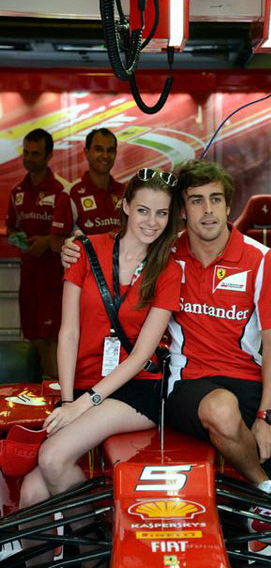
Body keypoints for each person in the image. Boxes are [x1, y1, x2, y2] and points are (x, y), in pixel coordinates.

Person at [62, 160, 271, 551]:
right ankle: (266, 497)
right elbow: (113, 250)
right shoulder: (164, 253)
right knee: (221, 408)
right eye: (196, 200)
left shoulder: (260, 259)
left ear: (228, 206)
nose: (207, 210)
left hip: (249, 382)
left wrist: (267, 415)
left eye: (216, 200)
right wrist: (72, 250)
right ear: (183, 210)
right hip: (184, 384)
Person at [19, 168, 181, 565]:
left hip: (137, 387)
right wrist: (68, 400)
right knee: (31, 493)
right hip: (84, 386)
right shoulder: (84, 250)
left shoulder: (168, 268)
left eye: (161, 213)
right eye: (143, 210)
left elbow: (141, 355)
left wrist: (83, 404)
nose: (152, 222)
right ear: (125, 207)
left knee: (53, 458)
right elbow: (69, 334)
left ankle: (95, 554)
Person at [6, 128, 67, 377]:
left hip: (54, 279)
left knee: (53, 339)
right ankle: (35, 392)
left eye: (36, 153)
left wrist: (47, 241)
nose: (29, 158)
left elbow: (65, 236)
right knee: (33, 338)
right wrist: (17, 239)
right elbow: (11, 228)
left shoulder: (60, 191)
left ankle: (56, 392)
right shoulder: (17, 192)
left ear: (49, 156)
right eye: (26, 153)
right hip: (28, 277)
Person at [50, 128, 124, 251]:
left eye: (110, 150)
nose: (105, 156)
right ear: (87, 152)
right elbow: (56, 243)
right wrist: (91, 250)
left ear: (115, 154)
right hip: (88, 264)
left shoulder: (125, 192)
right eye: (98, 149)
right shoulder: (70, 194)